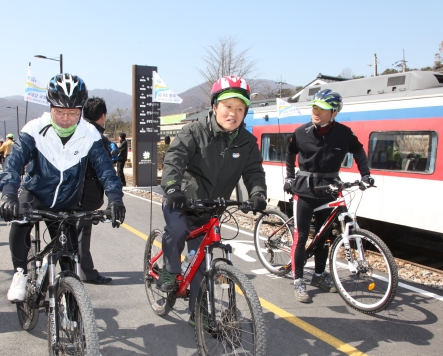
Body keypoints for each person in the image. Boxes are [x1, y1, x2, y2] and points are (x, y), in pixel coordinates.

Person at [0, 73, 126, 302]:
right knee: (19, 224)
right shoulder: (34, 128)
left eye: (73, 113)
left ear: (81, 111)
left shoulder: (89, 134)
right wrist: (8, 195)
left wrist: (115, 199)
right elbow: (14, 163)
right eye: (59, 112)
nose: (66, 118)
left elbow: (106, 169)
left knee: (69, 257)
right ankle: (20, 273)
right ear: (50, 107)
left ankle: (73, 307)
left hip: (67, 201)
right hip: (35, 194)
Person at [158, 76, 267, 325]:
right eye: (228, 106)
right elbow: (175, 159)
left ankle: (199, 314)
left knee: (200, 262)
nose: (233, 113)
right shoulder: (194, 131)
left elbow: (253, 172)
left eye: (240, 108)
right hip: (183, 203)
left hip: (212, 207)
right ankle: (170, 267)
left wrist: (257, 194)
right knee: (176, 230)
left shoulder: (247, 142)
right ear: (215, 107)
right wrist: (173, 188)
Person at [285, 89, 374, 303]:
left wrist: (366, 175)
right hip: (305, 190)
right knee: (302, 236)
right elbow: (289, 154)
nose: (315, 112)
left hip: (330, 190)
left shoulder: (344, 133)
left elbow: (359, 151)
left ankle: (318, 276)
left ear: (334, 112)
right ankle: (298, 281)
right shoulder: (301, 132)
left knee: (324, 237)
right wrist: (289, 178)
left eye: (321, 109)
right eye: (314, 107)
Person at [77, 96, 115, 284]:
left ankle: (73, 268)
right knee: (83, 233)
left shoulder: (76, 132)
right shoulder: (97, 137)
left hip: (70, 190)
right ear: (103, 115)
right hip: (87, 193)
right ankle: (86, 273)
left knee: (71, 230)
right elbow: (105, 170)